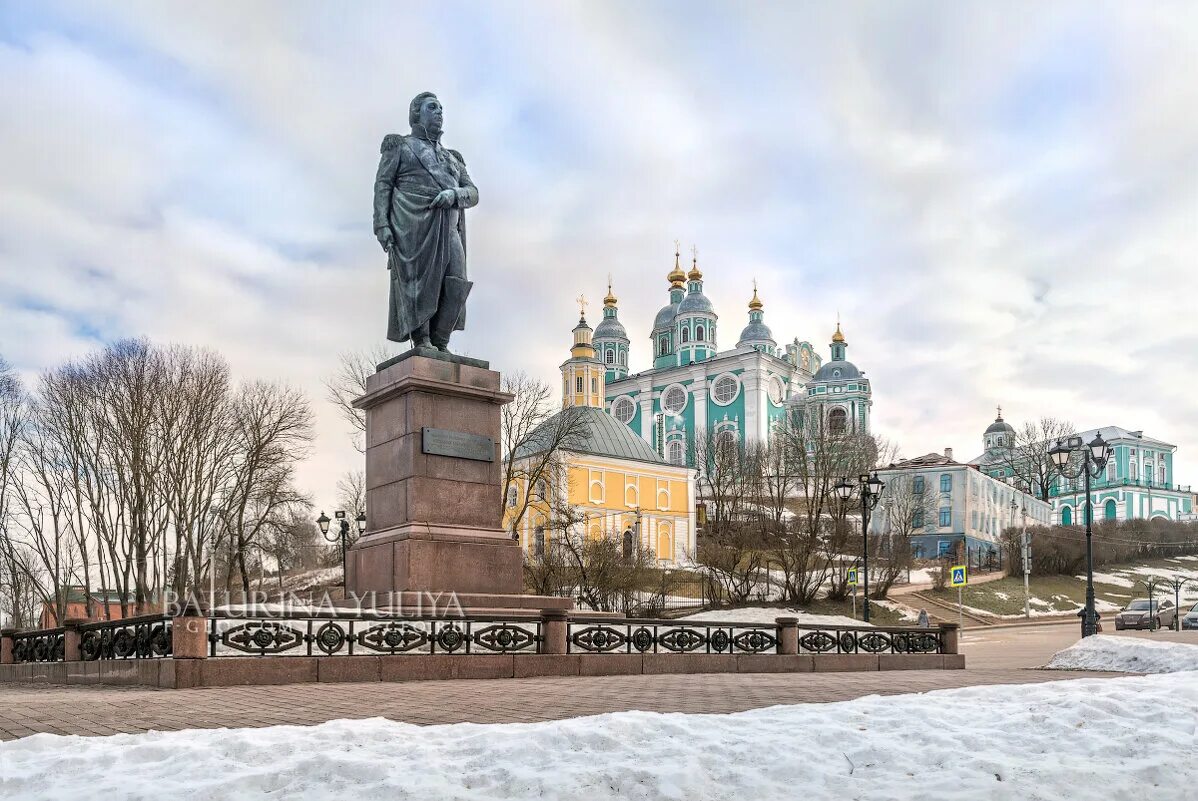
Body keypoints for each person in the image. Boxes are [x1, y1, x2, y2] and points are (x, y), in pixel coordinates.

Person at [373, 92, 479, 352]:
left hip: (448, 226)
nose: (439, 112)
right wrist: (382, 225)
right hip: (412, 225)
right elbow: (383, 185)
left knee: (456, 281)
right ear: (416, 114)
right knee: (419, 283)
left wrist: (454, 194)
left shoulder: (452, 157)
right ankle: (423, 340)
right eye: (432, 107)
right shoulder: (401, 146)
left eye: (441, 108)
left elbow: (473, 192)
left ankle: (441, 341)